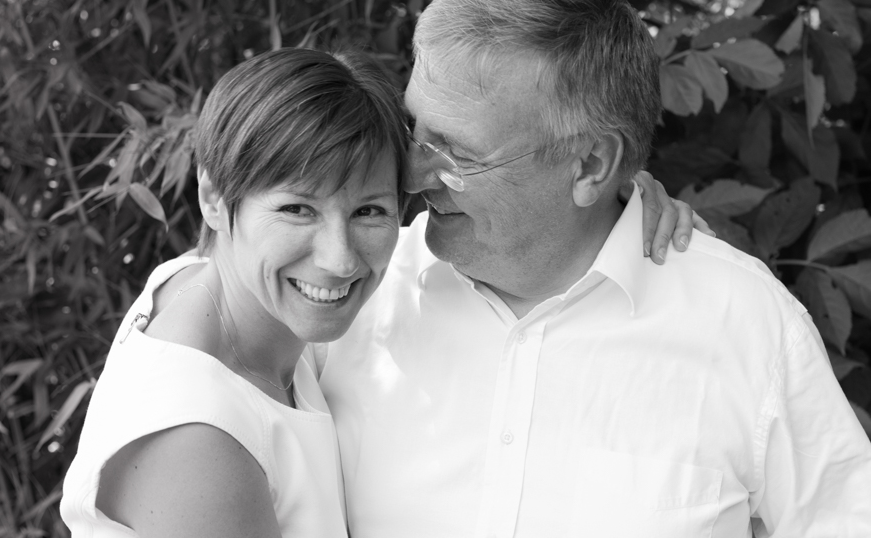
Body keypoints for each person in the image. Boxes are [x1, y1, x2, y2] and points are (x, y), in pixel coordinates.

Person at [316, 0, 871, 538]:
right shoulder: (351, 289)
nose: (411, 177)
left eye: (458, 154)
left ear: (591, 164)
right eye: (413, 132)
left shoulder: (743, 322)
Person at [59, 47, 694, 537]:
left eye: (368, 212)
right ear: (213, 199)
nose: (338, 260)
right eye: (297, 210)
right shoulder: (195, 444)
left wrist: (606, 199)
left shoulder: (212, 292)